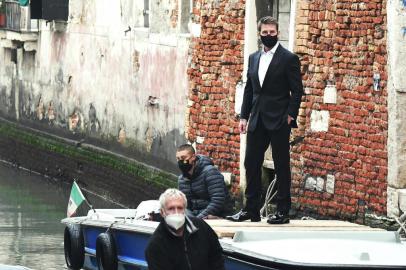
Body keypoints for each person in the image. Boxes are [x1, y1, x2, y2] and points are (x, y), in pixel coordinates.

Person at [226, 16, 303, 224]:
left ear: (278, 33)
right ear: (259, 34)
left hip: (279, 119)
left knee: (281, 165)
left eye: (272, 32)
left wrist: (290, 115)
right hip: (257, 118)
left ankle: (282, 211)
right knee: (250, 162)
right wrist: (243, 116)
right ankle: (250, 210)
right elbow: (250, 90)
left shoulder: (289, 58)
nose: (269, 35)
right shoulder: (253, 58)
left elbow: (297, 91)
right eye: (265, 33)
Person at [145, 188, 225, 270]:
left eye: (180, 208)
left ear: (185, 209)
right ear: (162, 212)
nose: (176, 212)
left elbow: (217, 257)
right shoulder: (156, 246)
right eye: (171, 208)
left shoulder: (202, 227)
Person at [176, 144, 233, 219]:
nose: (181, 161)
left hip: (216, 214)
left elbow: (218, 201)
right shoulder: (182, 179)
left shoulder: (210, 172)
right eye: (178, 159)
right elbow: (186, 204)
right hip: (195, 214)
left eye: (184, 158)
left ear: (193, 157)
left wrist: (198, 220)